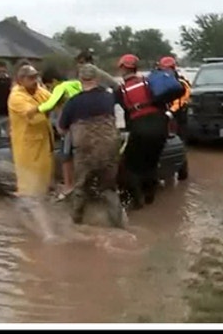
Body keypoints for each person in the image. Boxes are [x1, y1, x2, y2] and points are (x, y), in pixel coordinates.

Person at [58, 64, 122, 226]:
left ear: (80, 80)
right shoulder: (108, 98)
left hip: (85, 150)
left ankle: (76, 224)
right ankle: (119, 225)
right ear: (96, 79)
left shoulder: (73, 102)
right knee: (109, 189)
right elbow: (116, 90)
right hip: (109, 148)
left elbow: (62, 128)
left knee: (81, 187)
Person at [114, 54, 169, 210]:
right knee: (151, 162)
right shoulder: (149, 82)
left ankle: (138, 200)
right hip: (160, 126)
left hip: (140, 128)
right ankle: (150, 196)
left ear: (123, 68)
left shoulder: (121, 90)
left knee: (131, 165)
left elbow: (117, 110)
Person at [27, 68, 82, 198]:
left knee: (65, 156)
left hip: (71, 126)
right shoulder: (76, 84)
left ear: (54, 81)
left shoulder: (60, 87)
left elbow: (50, 104)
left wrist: (34, 110)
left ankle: (69, 186)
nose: (49, 89)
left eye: (49, 86)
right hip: (85, 123)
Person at [8, 62, 54, 199]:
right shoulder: (16, 97)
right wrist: (48, 106)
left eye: (36, 77)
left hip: (44, 140)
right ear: (21, 80)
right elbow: (31, 112)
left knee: (44, 174)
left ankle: (42, 200)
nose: (35, 81)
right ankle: (27, 205)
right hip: (27, 143)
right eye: (31, 78)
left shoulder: (39, 90)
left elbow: (53, 100)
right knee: (28, 177)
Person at [156, 56, 191, 138]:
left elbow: (183, 98)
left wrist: (171, 111)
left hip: (179, 113)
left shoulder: (181, 82)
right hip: (164, 112)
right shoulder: (159, 81)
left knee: (180, 132)